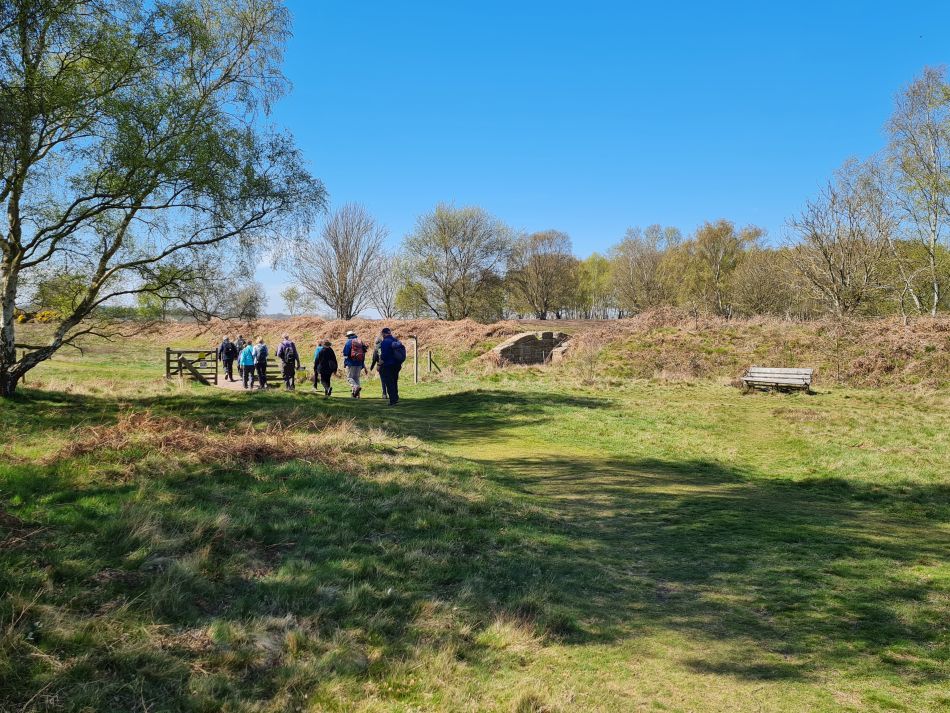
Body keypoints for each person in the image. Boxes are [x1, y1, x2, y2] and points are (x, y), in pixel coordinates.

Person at [377, 327, 406, 406]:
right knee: (394, 381)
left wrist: (379, 364)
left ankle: (392, 401)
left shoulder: (385, 342)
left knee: (389, 383)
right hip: (397, 365)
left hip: (388, 365)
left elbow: (384, 355)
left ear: (383, 334)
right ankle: (396, 398)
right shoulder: (395, 340)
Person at [342, 329, 367, 398]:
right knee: (356, 378)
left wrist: (345, 362)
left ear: (348, 336)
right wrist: (362, 364)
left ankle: (356, 387)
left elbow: (345, 354)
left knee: (350, 378)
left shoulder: (348, 342)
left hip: (350, 363)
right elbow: (364, 353)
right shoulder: (360, 342)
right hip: (359, 363)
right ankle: (356, 395)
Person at [369, 332, 388, 400]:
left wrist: (371, 367)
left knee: (383, 380)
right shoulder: (386, 347)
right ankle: (392, 393)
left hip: (381, 366)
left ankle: (384, 394)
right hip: (388, 365)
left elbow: (374, 359)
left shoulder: (376, 349)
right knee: (389, 380)